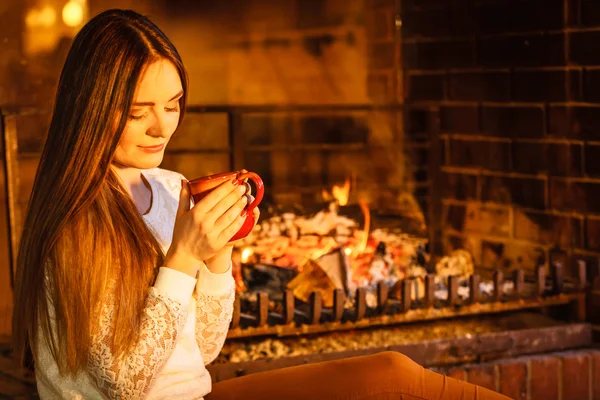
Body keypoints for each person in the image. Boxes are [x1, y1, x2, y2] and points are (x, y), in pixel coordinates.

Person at [12, 9, 511, 400]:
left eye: (173, 104)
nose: (163, 127)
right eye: (140, 111)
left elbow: (202, 350)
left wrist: (216, 256)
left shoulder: (166, 188)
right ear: (93, 108)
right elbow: (125, 386)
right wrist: (183, 255)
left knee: (393, 372)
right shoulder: (77, 218)